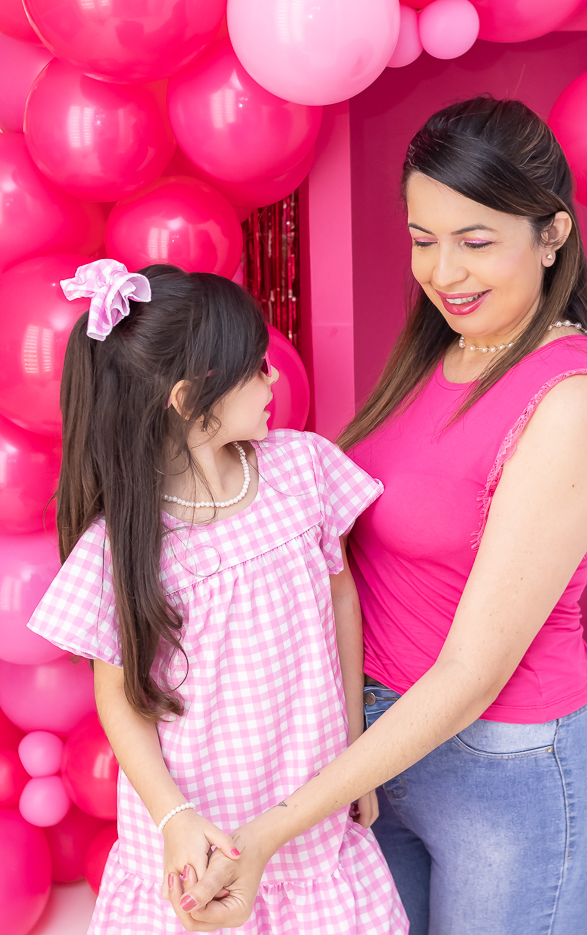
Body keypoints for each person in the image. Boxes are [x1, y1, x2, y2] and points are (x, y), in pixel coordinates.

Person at [169, 97, 587, 935]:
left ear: (551, 235)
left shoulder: (569, 403)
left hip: (505, 770)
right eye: (421, 240)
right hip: (384, 750)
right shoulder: (444, 350)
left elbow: (471, 674)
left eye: (475, 242)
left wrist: (270, 832)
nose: (443, 274)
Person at [28, 260, 407, 935]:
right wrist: (174, 818)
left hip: (307, 813)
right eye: (256, 367)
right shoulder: (126, 540)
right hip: (193, 837)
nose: (273, 379)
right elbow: (117, 696)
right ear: (186, 398)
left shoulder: (303, 469)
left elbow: (341, 602)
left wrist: (356, 761)